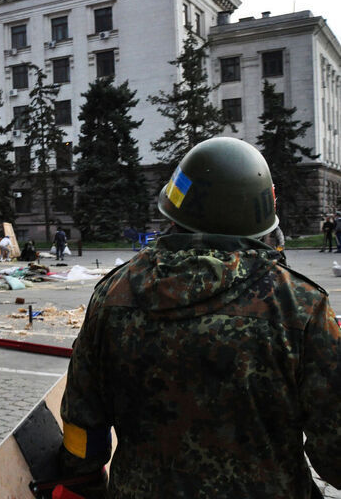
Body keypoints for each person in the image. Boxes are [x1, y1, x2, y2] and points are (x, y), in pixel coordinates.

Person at [56, 137, 341, 498]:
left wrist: (83, 484)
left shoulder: (112, 295)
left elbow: (82, 424)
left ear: (174, 210)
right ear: (261, 219)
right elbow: (334, 450)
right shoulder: (300, 306)